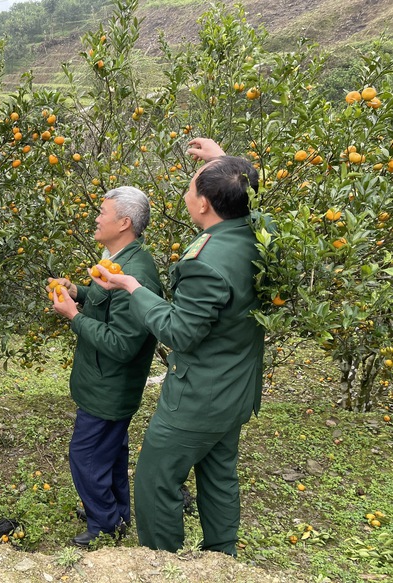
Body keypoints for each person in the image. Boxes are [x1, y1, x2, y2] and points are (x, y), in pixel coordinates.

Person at [91, 137, 264, 556]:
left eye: (190, 190)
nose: (187, 196)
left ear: (204, 204)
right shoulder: (257, 231)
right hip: (238, 389)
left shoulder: (203, 262)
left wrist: (132, 286)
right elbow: (250, 203)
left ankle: (162, 561)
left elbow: (181, 333)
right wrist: (223, 164)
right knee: (219, 473)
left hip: (199, 396)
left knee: (155, 479)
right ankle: (221, 558)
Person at [48, 186, 162, 547]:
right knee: (110, 452)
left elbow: (124, 344)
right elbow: (104, 301)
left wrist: (74, 316)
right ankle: (115, 511)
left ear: (124, 222)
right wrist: (78, 292)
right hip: (100, 381)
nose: (96, 218)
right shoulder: (117, 258)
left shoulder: (137, 273)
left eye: (103, 212)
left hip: (110, 386)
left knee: (86, 456)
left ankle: (105, 524)